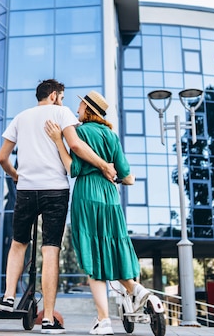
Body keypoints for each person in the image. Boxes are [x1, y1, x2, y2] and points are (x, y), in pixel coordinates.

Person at [0, 80, 117, 335]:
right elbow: (76, 146)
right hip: (55, 191)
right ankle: (47, 318)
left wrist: (16, 176)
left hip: (26, 189)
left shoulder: (21, 117)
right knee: (50, 251)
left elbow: (1, 158)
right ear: (53, 95)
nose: (63, 101)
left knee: (18, 243)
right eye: (61, 96)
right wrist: (104, 165)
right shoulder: (62, 113)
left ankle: (7, 297)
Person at [45, 90, 151, 335]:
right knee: (112, 248)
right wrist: (114, 174)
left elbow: (72, 166)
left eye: (81, 104)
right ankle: (136, 289)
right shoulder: (111, 136)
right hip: (110, 197)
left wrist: (57, 140)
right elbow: (129, 178)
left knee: (93, 256)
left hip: (87, 194)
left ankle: (104, 321)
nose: (78, 107)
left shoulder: (79, 132)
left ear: (88, 109)